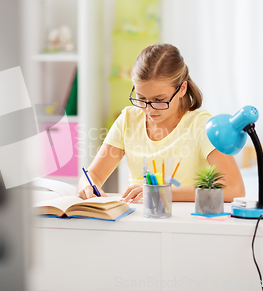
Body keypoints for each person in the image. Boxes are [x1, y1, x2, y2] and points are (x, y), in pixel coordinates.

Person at [78, 43, 245, 203]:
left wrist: (161, 192)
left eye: (159, 100)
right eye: (141, 98)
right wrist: (88, 186)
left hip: (183, 222)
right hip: (137, 219)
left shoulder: (201, 125)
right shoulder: (128, 119)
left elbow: (235, 189)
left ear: (182, 89)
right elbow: (94, 175)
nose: (149, 109)